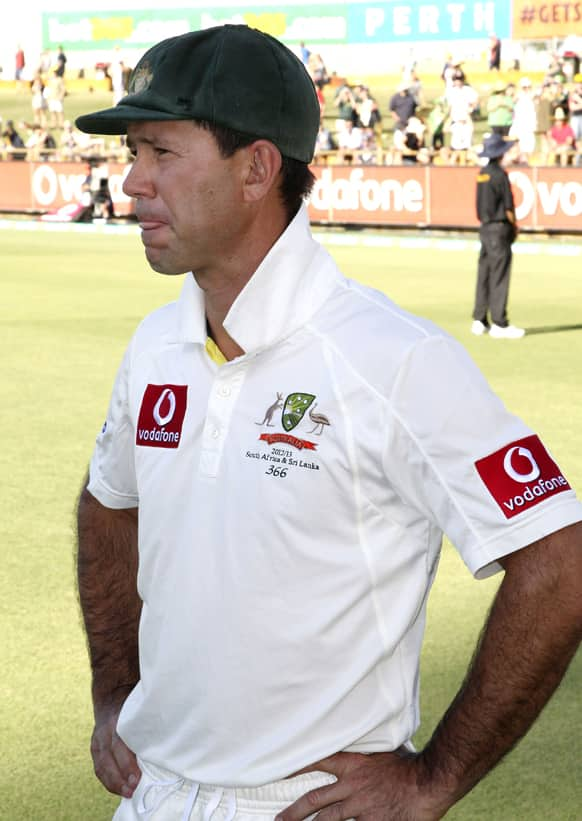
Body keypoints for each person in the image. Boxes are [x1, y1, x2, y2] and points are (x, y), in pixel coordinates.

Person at [75, 25, 582, 821]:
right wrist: (114, 688)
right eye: (132, 151)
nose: (132, 181)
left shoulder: (395, 359)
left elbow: (560, 554)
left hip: (300, 805)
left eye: (161, 153)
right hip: (152, 794)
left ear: (257, 168)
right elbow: (109, 501)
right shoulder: (155, 347)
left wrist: (435, 776)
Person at [471, 133, 523, 339]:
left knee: (484, 273)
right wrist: (515, 225)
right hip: (499, 228)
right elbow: (508, 206)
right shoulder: (500, 175)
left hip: (484, 228)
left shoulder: (482, 173)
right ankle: (499, 323)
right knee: (500, 274)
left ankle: (479, 318)